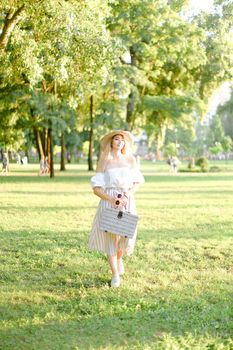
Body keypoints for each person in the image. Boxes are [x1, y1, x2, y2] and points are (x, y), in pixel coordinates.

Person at [88, 130, 144, 288]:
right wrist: (112, 199)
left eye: (123, 140)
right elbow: (96, 188)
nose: (120, 142)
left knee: (125, 236)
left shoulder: (130, 160)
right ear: (111, 142)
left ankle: (119, 259)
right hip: (110, 200)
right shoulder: (105, 160)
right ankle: (115, 275)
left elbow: (137, 183)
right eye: (117, 139)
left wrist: (126, 195)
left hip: (127, 200)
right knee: (111, 239)